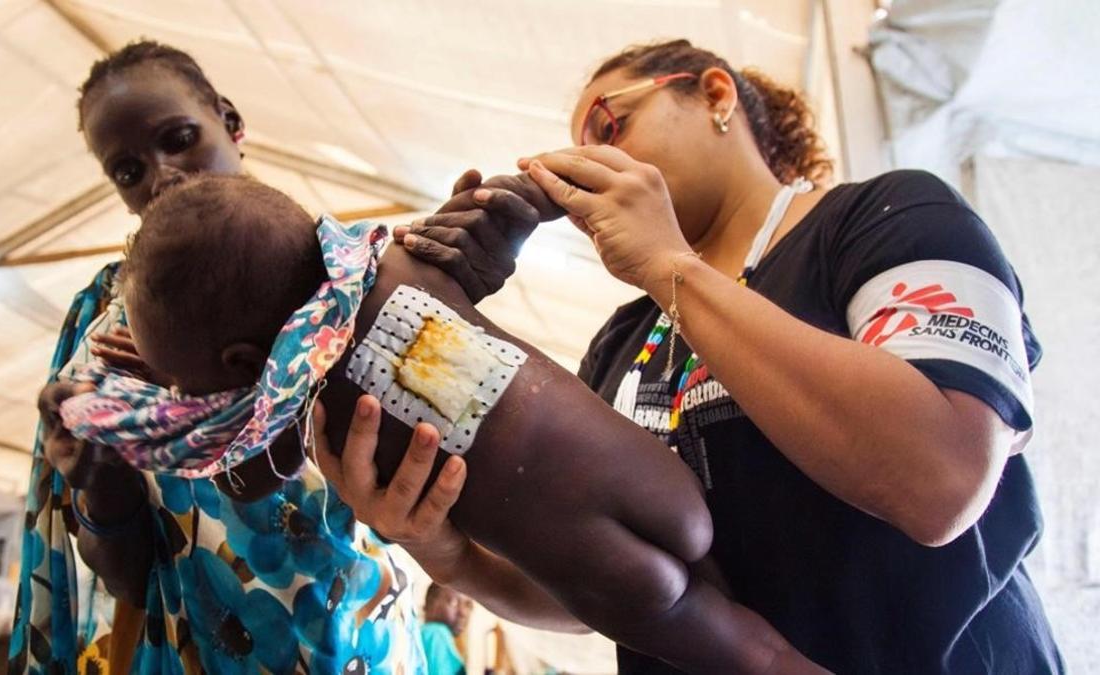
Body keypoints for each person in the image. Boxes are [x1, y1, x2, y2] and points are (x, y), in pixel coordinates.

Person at [320, 39, 1065, 674]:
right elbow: (596, 583)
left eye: (609, 125)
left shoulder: (885, 218)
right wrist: (446, 550)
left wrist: (670, 265)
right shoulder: (621, 339)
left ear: (715, 94)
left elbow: (939, 476)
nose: (587, 166)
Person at [80, 172, 821, 673]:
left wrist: (172, 390)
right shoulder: (409, 266)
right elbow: (504, 212)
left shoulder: (316, 400)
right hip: (653, 475)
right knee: (743, 605)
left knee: (752, 656)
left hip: (593, 565)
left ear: (243, 360)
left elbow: (250, 468)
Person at [10, 40, 537, 674]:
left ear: (231, 122)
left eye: (179, 137)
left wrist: (454, 302)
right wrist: (102, 486)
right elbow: (129, 580)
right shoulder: (101, 325)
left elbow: (484, 487)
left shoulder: (353, 278)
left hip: (367, 657)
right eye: (127, 171)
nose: (162, 176)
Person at [421, 585, 468, 675]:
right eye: (453, 602)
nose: (463, 612)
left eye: (468, 605)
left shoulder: (423, 634)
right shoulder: (436, 633)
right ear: (430, 604)